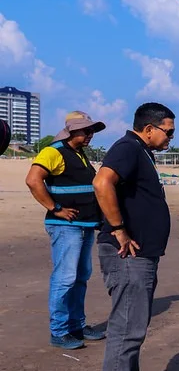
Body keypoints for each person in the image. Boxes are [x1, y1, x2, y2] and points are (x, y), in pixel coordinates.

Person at [88, 103, 175, 371]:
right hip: (127, 255)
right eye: (168, 132)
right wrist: (119, 229)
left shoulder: (141, 152)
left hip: (142, 255)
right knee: (126, 328)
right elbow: (102, 183)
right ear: (149, 128)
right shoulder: (127, 148)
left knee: (135, 327)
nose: (170, 138)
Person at [25, 111, 107, 350]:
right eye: (86, 130)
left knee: (81, 277)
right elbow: (33, 180)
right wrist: (55, 208)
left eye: (92, 131)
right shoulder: (53, 151)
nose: (90, 134)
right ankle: (59, 331)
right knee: (65, 278)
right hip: (66, 227)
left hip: (84, 225)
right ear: (72, 130)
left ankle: (76, 326)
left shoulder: (79, 153)